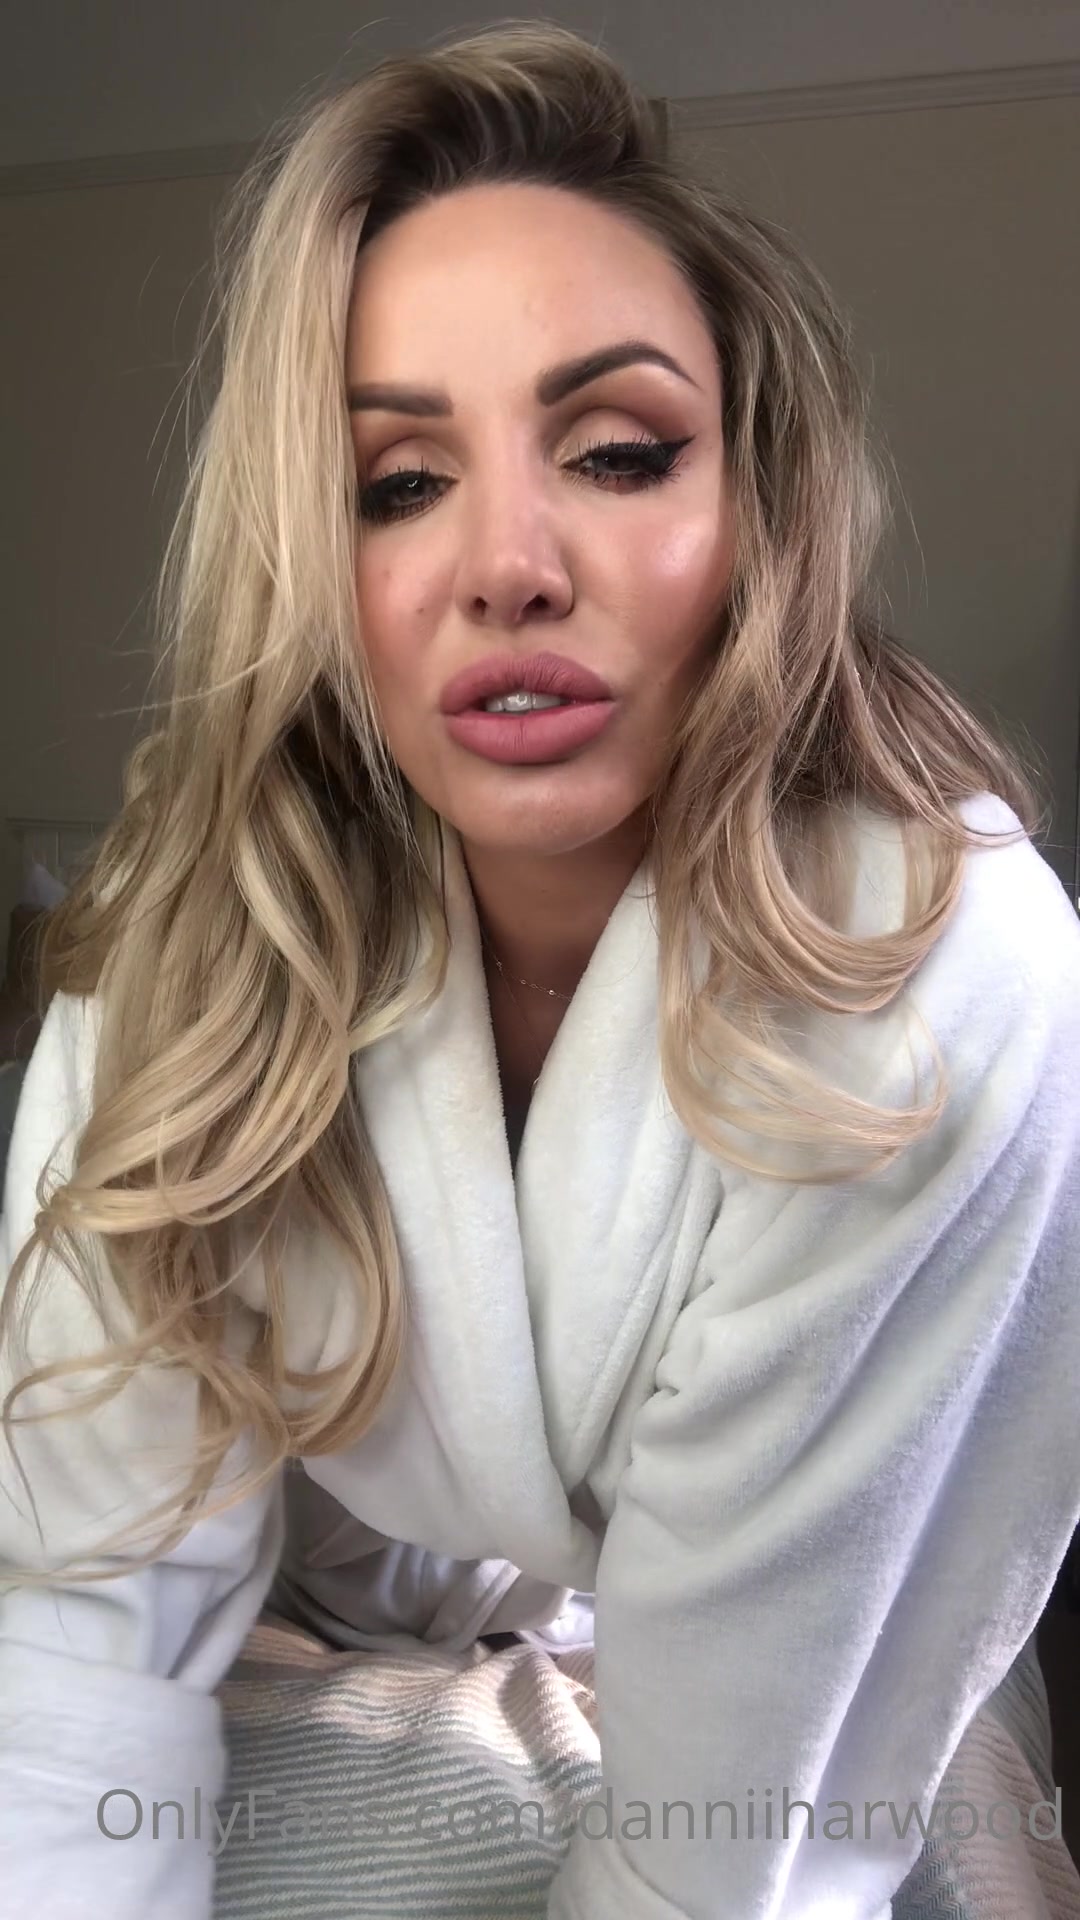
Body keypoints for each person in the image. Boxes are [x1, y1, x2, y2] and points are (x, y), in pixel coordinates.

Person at [2, 21, 1079, 1920]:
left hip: (744, 1614)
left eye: (617, 451)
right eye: (396, 481)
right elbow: (77, 1646)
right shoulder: (193, 932)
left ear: (757, 510)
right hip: (335, 1576)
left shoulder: (937, 983)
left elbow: (734, 1838)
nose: (507, 563)